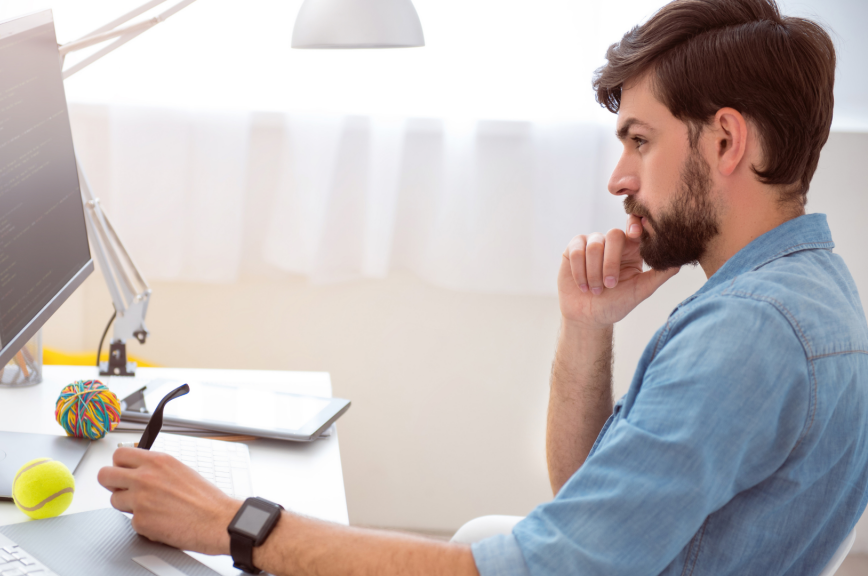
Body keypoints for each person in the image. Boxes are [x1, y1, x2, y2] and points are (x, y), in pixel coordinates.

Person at [98, 0, 868, 573]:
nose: (619, 177)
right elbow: (593, 498)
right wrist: (587, 324)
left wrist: (235, 523)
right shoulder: (808, 288)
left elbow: (541, 569)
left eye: (641, 139)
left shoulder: (747, 336)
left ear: (726, 140)